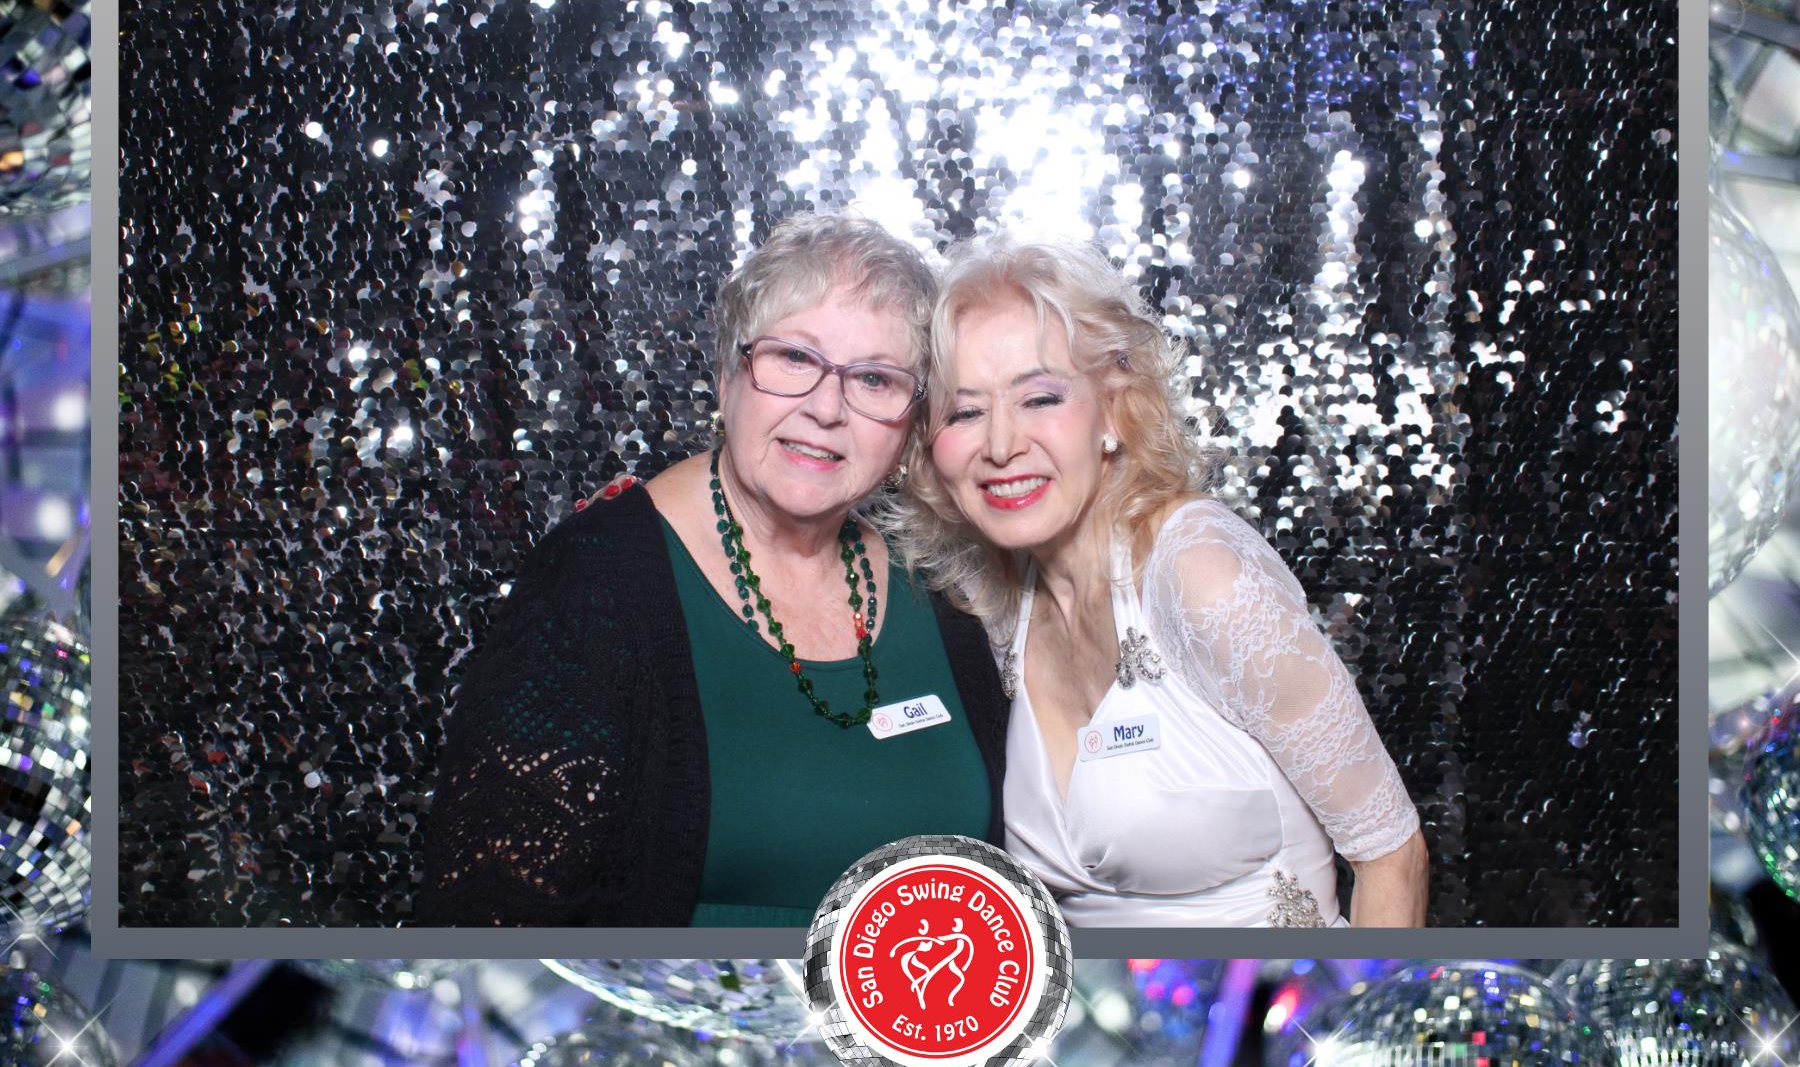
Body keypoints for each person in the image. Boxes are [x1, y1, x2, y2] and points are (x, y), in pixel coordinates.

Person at [418, 214, 1009, 927]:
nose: (826, 408)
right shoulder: (596, 584)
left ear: (912, 422)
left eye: (875, 379)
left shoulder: (934, 585)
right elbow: (487, 916)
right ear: (729, 375)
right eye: (795, 358)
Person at [886, 236, 1428, 927]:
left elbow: (1392, 855)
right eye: (965, 412)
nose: (1000, 445)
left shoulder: (1202, 575)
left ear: (1112, 409)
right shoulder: (994, 606)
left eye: (1040, 398)